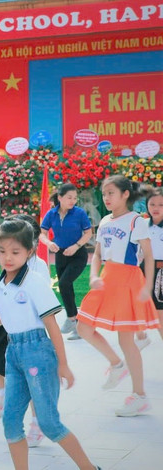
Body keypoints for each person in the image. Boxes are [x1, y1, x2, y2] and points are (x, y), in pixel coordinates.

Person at [0, 219, 99, 470]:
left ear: (29, 252)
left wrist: (63, 364)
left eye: (15, 252)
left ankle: (90, 468)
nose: (8, 257)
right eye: (2, 251)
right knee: (10, 422)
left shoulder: (34, 282)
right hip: (13, 353)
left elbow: (51, 325)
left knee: (49, 424)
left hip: (38, 352)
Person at [76, 175, 159, 417]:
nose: (106, 197)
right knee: (83, 327)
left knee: (126, 340)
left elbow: (149, 255)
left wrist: (147, 286)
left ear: (125, 194)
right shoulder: (104, 221)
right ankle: (116, 364)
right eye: (104, 193)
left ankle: (139, 396)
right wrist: (93, 276)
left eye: (111, 193)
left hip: (128, 279)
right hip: (106, 277)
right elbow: (97, 254)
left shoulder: (136, 221)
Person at [40, 183, 93, 340]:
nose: (73, 201)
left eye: (75, 198)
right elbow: (42, 233)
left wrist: (76, 246)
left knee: (64, 283)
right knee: (65, 287)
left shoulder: (79, 213)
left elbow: (88, 233)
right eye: (69, 197)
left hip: (78, 254)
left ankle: (71, 318)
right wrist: (49, 243)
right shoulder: (51, 214)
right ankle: (77, 324)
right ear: (60, 198)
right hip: (60, 255)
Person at [135, 187, 163, 350]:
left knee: (159, 312)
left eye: (161, 205)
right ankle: (141, 336)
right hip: (143, 270)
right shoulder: (143, 225)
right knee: (135, 304)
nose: (156, 208)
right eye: (152, 204)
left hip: (161, 271)